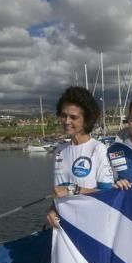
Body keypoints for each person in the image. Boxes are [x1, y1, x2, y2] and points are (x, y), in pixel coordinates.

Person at [46, 86, 113, 228]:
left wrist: (73, 190)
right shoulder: (59, 151)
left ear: (86, 120)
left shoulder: (97, 149)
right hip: (63, 228)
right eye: (63, 115)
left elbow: (107, 194)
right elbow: (58, 193)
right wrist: (51, 210)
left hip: (90, 227)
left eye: (73, 117)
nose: (66, 121)